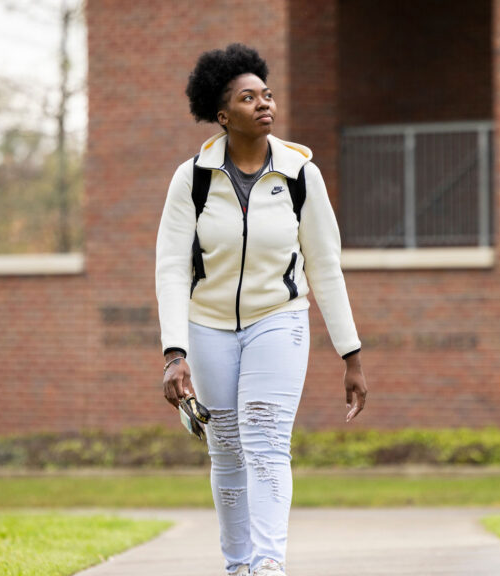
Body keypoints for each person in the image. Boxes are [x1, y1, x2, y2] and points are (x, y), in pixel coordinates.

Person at [155, 43, 368, 576]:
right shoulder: (193, 178)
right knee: (226, 450)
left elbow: (325, 265)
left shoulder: (300, 175)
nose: (264, 104)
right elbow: (172, 268)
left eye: (267, 95)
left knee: (267, 440)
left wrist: (351, 353)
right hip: (207, 327)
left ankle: (269, 564)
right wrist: (173, 352)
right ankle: (238, 566)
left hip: (279, 317)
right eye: (248, 98)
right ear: (223, 115)